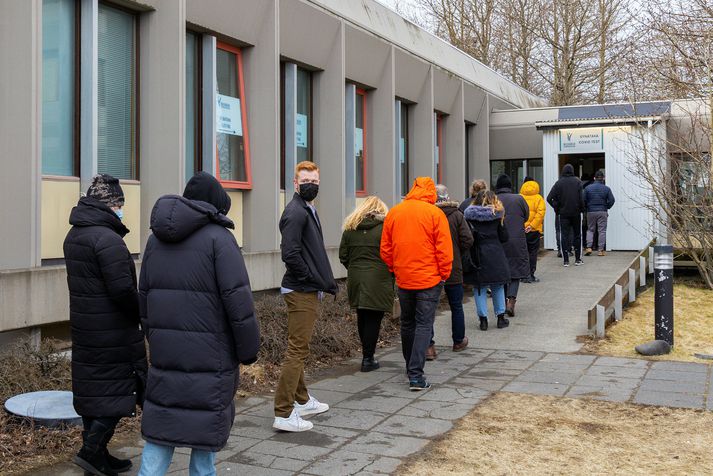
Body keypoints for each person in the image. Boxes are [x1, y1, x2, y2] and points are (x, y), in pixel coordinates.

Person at [137, 172, 260, 475]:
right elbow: (239, 304)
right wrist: (248, 351)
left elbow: (144, 300)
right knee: (204, 442)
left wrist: (157, 339)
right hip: (211, 359)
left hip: (167, 357)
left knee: (161, 432)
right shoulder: (220, 240)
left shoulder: (154, 241)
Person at [63, 174, 147, 476]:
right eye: (121, 203)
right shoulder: (107, 239)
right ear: (112, 204)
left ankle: (98, 457)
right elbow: (122, 290)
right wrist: (141, 312)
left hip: (86, 327)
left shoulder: (76, 235)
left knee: (93, 393)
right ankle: (90, 451)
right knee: (120, 388)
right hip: (112, 329)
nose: (122, 209)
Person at [274, 161, 338, 432]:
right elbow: (290, 254)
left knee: (300, 347)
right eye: (306, 180)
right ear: (295, 183)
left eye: (315, 180)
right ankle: (283, 412)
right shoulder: (296, 212)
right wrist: (311, 279)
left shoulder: (306, 209)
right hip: (301, 290)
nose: (311, 184)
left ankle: (301, 400)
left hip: (307, 288)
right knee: (297, 350)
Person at [380, 177, 453, 391]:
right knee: (423, 324)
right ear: (431, 193)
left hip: (404, 278)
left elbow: (385, 249)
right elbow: (444, 249)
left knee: (407, 323)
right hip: (429, 280)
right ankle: (416, 374)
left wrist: (395, 268)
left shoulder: (395, 212)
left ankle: (410, 366)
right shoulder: (435, 214)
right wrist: (444, 274)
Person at [339, 196, 395, 372]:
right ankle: (368, 358)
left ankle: (366, 355)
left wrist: (354, 268)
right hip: (379, 278)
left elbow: (343, 256)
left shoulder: (350, 227)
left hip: (355, 277)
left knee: (362, 315)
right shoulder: (385, 227)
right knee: (374, 318)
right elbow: (392, 253)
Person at [463, 190, 511, 330]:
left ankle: (483, 320)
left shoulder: (469, 216)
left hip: (477, 255)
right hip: (495, 253)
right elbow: (504, 237)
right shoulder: (497, 215)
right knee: (498, 285)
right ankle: (500, 318)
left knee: (479, 288)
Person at [434, 184, 474, 353]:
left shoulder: (429, 215)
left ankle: (429, 346)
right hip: (453, 265)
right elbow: (468, 239)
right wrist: (457, 251)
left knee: (428, 307)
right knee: (456, 305)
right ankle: (458, 341)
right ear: (447, 196)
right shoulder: (457, 215)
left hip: (432, 267)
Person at [494, 174, 530, 317]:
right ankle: (511, 300)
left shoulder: (493, 200)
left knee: (501, 272)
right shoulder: (519, 199)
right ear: (510, 186)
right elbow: (526, 216)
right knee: (515, 272)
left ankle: (502, 304)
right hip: (517, 241)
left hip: (498, 241)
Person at [547, 163, 585, 267]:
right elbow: (581, 198)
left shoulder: (558, 183)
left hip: (563, 214)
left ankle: (566, 261)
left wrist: (557, 208)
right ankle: (577, 259)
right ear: (572, 171)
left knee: (564, 235)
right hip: (576, 213)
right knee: (577, 235)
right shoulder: (578, 182)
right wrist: (582, 209)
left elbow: (549, 198)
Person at [519, 177, 546, 283]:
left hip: (521, 230)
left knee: (522, 252)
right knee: (533, 252)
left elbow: (518, 213)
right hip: (534, 230)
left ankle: (522, 274)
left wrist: (523, 225)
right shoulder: (539, 198)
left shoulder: (519, 197)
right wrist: (532, 225)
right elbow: (541, 213)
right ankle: (531, 274)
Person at [584, 169, 615, 256]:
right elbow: (612, 200)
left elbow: (583, 200)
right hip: (602, 211)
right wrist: (606, 207)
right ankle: (600, 250)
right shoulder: (607, 189)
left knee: (590, 230)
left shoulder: (587, 188)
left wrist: (587, 208)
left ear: (594, 178)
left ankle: (589, 247)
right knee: (602, 231)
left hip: (591, 211)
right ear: (603, 178)